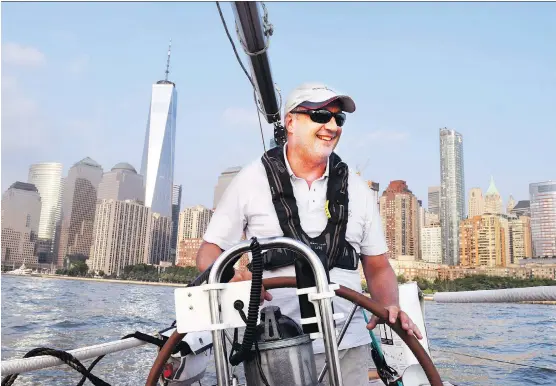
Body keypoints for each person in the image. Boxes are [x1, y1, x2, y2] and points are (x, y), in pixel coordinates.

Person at [196, 82, 423, 385]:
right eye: (320, 115)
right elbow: (208, 253)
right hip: (270, 345)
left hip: (347, 344)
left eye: (338, 118)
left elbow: (378, 266)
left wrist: (389, 305)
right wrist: (233, 278)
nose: (332, 125)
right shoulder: (250, 180)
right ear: (290, 122)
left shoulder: (358, 190)